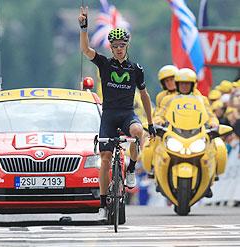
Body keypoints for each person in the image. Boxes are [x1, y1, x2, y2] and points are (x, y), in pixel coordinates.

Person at [78, 6, 156, 219]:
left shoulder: (135, 69)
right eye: (115, 46)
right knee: (104, 158)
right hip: (109, 115)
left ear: (127, 46)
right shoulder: (104, 64)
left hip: (127, 113)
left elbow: (146, 96)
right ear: (110, 47)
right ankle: (103, 203)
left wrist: (150, 123)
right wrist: (84, 27)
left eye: (122, 45)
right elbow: (85, 50)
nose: (119, 49)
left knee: (138, 131)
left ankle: (130, 169)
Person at [155, 68, 219, 128]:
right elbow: (160, 114)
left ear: (192, 85)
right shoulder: (167, 99)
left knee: (217, 140)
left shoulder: (202, 99)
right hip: (173, 132)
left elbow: (211, 116)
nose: (184, 86)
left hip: (197, 132)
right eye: (181, 83)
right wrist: (158, 120)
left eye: (187, 83)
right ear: (177, 84)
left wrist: (213, 122)